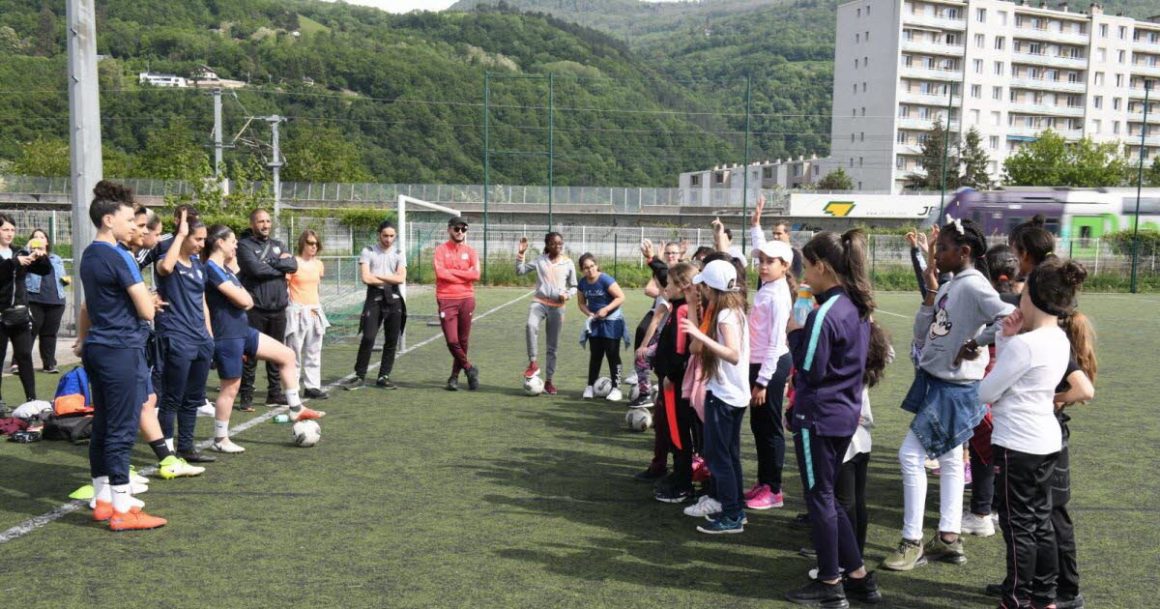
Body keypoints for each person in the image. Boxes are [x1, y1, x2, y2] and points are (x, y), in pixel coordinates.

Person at [882, 218, 1014, 572]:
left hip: (955, 388)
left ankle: (912, 541)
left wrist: (978, 342)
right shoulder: (949, 284)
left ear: (964, 252)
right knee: (953, 459)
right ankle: (948, 538)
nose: (935, 255)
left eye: (942, 249)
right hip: (939, 382)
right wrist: (930, 291)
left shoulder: (973, 285)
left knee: (910, 455)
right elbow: (923, 330)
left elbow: (1010, 316)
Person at [979, 257, 1089, 609]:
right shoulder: (1057, 337)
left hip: (1017, 445)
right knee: (1041, 524)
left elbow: (987, 392)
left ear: (1033, 296)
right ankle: (1045, 597)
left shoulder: (1028, 344)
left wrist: (1004, 338)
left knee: (1018, 529)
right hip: (1045, 441)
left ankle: (1016, 599)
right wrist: (1007, 336)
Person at [782, 229, 884, 607]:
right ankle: (857, 576)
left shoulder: (826, 311)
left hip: (819, 415)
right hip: (844, 414)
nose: (805, 275)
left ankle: (829, 582)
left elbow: (810, 368)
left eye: (807, 267)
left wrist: (794, 334)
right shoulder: (856, 305)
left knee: (820, 498)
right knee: (831, 497)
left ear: (822, 266)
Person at [74, 181, 167, 531]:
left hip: (99, 347)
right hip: (120, 349)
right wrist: (150, 300)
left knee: (103, 425)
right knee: (122, 429)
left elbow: (89, 306)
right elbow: (145, 310)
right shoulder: (119, 256)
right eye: (130, 220)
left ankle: (102, 500)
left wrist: (84, 339)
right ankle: (122, 510)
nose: (135, 227)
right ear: (109, 220)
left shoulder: (89, 254)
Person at [204, 225, 324, 454]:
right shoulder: (211, 268)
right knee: (230, 389)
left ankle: (295, 408)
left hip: (243, 329)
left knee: (286, 355)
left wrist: (246, 295)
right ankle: (220, 438)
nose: (236, 245)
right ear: (219, 243)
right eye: (232, 241)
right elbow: (246, 300)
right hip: (227, 335)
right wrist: (245, 296)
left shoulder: (225, 269)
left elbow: (246, 295)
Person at [126, 206, 203, 479]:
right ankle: (116, 474)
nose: (154, 237)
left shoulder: (194, 259)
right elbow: (91, 304)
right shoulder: (127, 255)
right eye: (149, 230)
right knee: (144, 401)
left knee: (148, 400)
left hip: (148, 336)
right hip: (144, 337)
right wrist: (147, 299)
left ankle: (170, 455)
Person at [678, 259, 750, 534]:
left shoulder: (725, 315)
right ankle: (735, 511)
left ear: (712, 288)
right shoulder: (734, 311)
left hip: (725, 396)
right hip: (733, 394)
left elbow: (732, 354)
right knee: (728, 457)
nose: (702, 291)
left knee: (720, 459)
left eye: (704, 286)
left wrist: (700, 335)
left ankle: (732, 515)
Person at [153, 209, 217, 462]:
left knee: (193, 397)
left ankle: (186, 448)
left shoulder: (200, 266)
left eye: (204, 240)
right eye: (197, 239)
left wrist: (209, 336)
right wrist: (179, 234)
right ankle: (167, 453)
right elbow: (166, 266)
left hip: (201, 339)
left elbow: (202, 302)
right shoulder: (166, 262)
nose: (202, 244)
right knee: (172, 397)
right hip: (177, 336)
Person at [744, 239, 795, 511]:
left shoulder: (777, 294)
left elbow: (776, 343)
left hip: (771, 366)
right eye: (761, 260)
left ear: (785, 266)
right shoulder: (768, 286)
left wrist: (763, 381)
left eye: (770, 261)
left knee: (770, 428)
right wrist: (755, 226)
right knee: (759, 426)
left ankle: (774, 489)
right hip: (759, 364)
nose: (763, 266)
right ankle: (763, 482)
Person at [236, 208, 297, 408]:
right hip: (256, 309)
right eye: (261, 221)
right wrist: (278, 265)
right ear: (253, 224)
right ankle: (246, 396)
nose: (265, 225)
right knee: (251, 354)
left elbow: (293, 265)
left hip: (278, 308)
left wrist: (271, 262)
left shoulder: (278, 244)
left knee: (277, 352)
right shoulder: (244, 246)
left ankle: (274, 393)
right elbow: (253, 269)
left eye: (268, 221)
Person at [650, 263, 697, 503]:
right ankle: (680, 477)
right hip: (674, 381)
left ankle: (683, 483)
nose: (665, 287)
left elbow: (680, 349)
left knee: (678, 434)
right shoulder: (678, 307)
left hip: (675, 384)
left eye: (669, 283)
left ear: (681, 286)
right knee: (676, 431)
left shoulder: (681, 310)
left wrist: (670, 376)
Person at [344, 221, 407, 391]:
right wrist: (389, 277)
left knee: (392, 340)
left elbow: (400, 278)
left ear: (395, 236)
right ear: (379, 234)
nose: (388, 239)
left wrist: (377, 275)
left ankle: (383, 376)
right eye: (385, 235)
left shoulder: (399, 253)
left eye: (391, 236)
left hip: (394, 298)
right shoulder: (368, 251)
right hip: (374, 297)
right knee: (368, 337)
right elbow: (366, 278)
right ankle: (359, 375)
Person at [0, 213, 51, 409]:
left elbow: (45, 271)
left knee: (24, 355)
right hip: (1, 315)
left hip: (20, 314)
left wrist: (40, 256)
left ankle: (32, 398)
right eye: (5, 229)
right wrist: (14, 263)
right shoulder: (15, 258)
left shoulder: (19, 251)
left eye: (12, 230)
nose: (9, 233)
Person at [517, 232, 576, 396]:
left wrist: (568, 295)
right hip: (540, 303)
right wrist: (521, 253)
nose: (558, 245)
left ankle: (549, 381)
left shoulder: (568, 263)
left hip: (558, 307)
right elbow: (519, 271)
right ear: (548, 244)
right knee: (530, 325)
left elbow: (574, 286)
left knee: (553, 346)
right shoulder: (539, 260)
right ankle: (533, 363)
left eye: (560, 243)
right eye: (554, 243)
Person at [433, 216, 480, 391]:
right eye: (457, 229)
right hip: (446, 299)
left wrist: (452, 272)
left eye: (464, 229)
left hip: (467, 298)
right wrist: (463, 273)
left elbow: (475, 275)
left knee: (463, 340)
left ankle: (454, 377)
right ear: (449, 229)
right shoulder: (440, 250)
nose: (460, 232)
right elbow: (440, 273)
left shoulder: (471, 251)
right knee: (452, 340)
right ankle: (469, 368)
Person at [285, 229, 331, 399]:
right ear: (302, 243)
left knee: (314, 351)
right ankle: (293, 388)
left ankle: (312, 387)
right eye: (310, 243)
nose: (314, 246)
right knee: (294, 352)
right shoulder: (293, 263)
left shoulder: (319, 264)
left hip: (314, 311)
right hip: (297, 312)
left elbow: (316, 287)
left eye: (316, 243)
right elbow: (286, 287)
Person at [576, 253, 626, 401]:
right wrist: (590, 314)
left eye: (592, 266)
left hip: (612, 321)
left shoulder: (605, 279)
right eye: (586, 268)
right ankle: (590, 386)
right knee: (596, 354)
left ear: (596, 265)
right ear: (582, 270)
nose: (590, 270)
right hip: (596, 323)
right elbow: (581, 303)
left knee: (612, 354)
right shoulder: (582, 283)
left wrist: (606, 309)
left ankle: (616, 388)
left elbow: (621, 297)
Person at [19, 229, 66, 374]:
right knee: (30, 331)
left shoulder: (56, 258)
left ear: (47, 241)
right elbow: (20, 267)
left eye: (42, 237)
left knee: (50, 334)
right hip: (34, 299)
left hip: (56, 300)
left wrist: (65, 281)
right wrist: (28, 250)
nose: (39, 239)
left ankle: (49, 364)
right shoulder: (27, 256)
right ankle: (20, 363)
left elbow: (62, 277)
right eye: (35, 237)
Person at [751, 193, 804, 278]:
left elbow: (795, 279)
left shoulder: (795, 254)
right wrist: (755, 224)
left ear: (788, 234)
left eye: (779, 234)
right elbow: (759, 243)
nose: (775, 237)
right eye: (774, 233)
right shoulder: (768, 250)